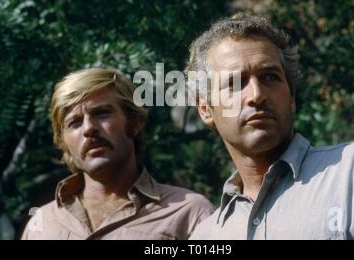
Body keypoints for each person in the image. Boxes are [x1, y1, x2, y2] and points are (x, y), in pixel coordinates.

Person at [186, 12, 354, 240]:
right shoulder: (206, 236)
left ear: (292, 97)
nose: (256, 95)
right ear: (205, 108)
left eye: (270, 77)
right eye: (235, 83)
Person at [22, 68, 214, 240]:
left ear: (134, 123)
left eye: (102, 113)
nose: (89, 128)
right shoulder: (42, 224)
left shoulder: (189, 213)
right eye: (75, 122)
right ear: (63, 142)